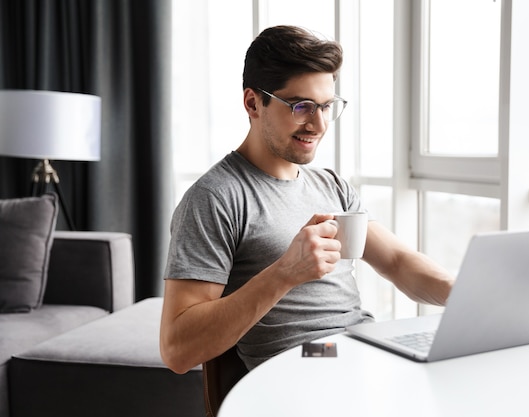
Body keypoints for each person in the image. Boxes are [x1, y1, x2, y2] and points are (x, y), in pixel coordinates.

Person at [160, 25, 454, 374]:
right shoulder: (215, 198)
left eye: (327, 106)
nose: (318, 124)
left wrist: (465, 294)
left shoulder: (331, 186)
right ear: (253, 103)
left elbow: (398, 262)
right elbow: (177, 348)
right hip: (305, 362)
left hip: (362, 349)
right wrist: (285, 273)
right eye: (301, 106)